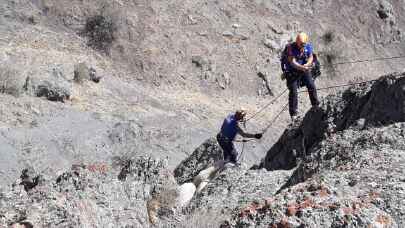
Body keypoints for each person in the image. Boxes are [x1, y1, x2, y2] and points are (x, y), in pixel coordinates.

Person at [283, 32, 320, 121]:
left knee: (311, 85)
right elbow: (292, 62)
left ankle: (315, 105)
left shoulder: (308, 46)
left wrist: (307, 64)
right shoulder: (290, 48)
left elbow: (311, 56)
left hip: (303, 68)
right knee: (293, 91)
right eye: (300, 44)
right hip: (292, 71)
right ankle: (294, 114)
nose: (302, 46)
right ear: (297, 42)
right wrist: (302, 67)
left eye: (303, 44)